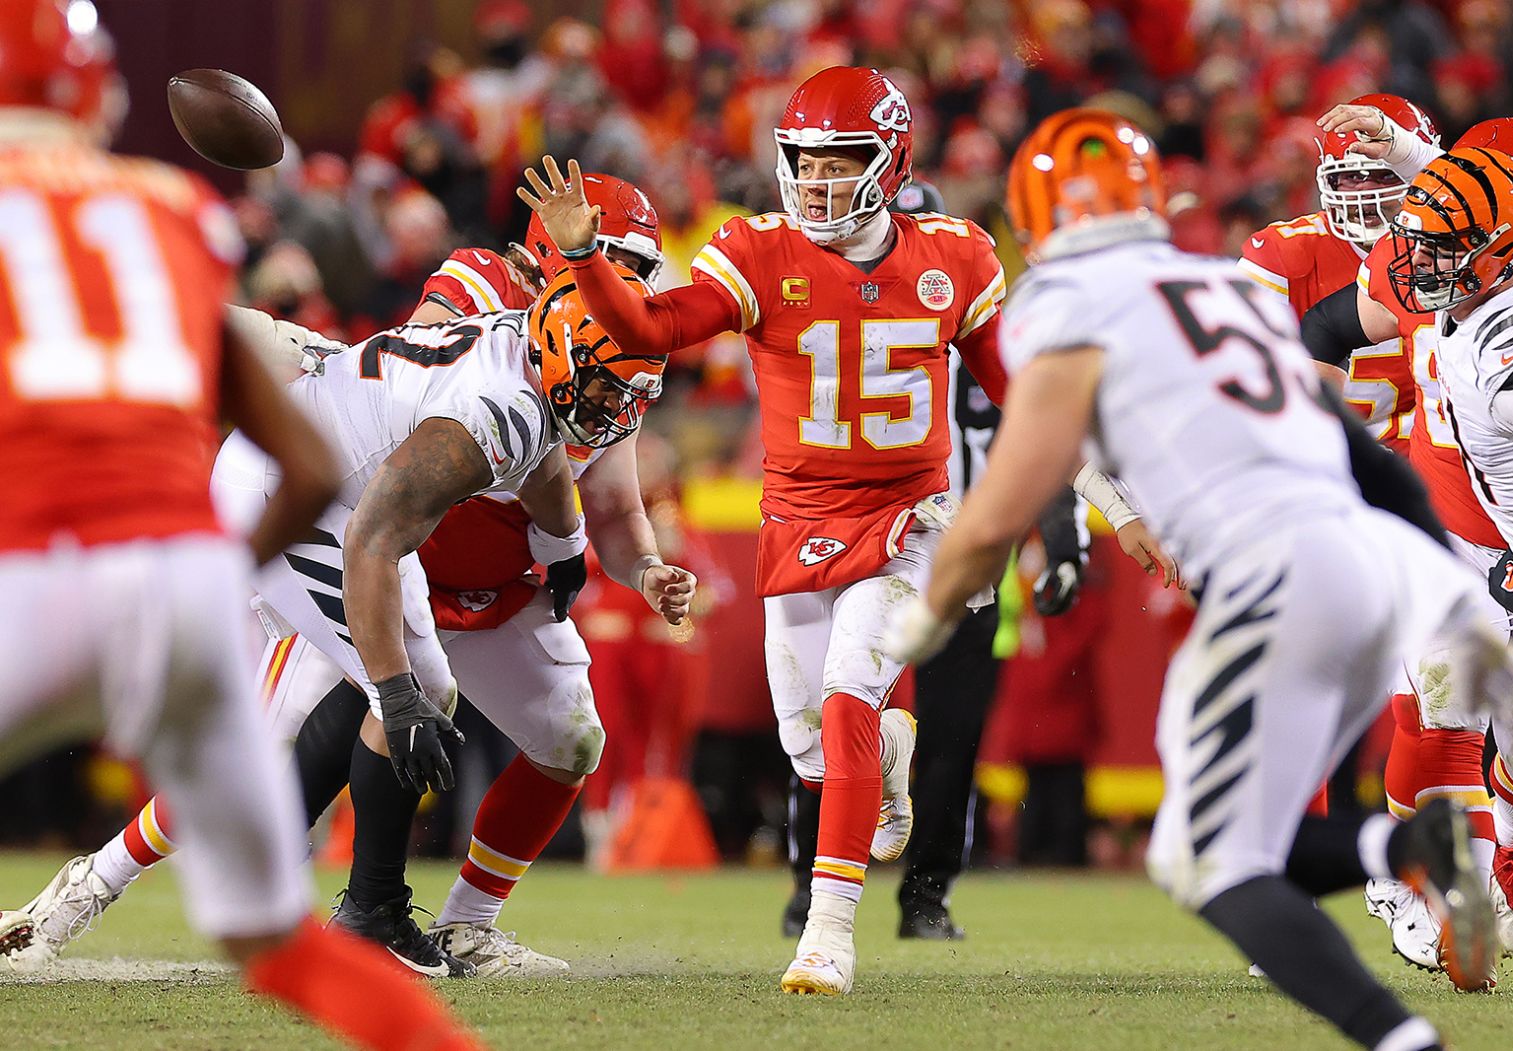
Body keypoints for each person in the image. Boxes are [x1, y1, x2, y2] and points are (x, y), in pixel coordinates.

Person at [517, 67, 1175, 995]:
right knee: (810, 748)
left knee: (850, 689)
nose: (819, 182)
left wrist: (1122, 505)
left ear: (891, 160)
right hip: (797, 522)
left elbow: (1031, 402)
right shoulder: (754, 251)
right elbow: (650, 330)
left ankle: (827, 935)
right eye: (805, 163)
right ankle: (889, 762)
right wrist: (586, 257)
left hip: (913, 516)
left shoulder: (956, 256)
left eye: (841, 161)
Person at [885, 107, 1513, 1049]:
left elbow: (991, 515)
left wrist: (919, 623)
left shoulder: (1064, 306)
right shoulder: (1215, 287)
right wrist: (1448, 585)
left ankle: (1402, 1034)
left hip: (1277, 575)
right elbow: (1367, 454)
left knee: (1210, 862)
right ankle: (1412, 847)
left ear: (1033, 220)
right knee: (1219, 834)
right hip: (1365, 554)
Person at [5, 211, 692, 979]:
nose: (617, 410)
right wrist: (393, 696)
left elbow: (540, 461)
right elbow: (375, 536)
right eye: (607, 386)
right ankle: (363, 913)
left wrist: (563, 547)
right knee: (390, 693)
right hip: (295, 489)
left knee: (342, 712)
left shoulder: (527, 360)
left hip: (346, 488)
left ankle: (371, 910)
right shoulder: (492, 407)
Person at [0, 2, 489, 1047]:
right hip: (178, 565)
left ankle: (85, 894)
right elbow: (311, 466)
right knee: (288, 948)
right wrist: (211, 580)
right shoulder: (174, 206)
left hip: (32, 566)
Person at [780, 179, 1098, 941]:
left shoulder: (994, 332)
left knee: (952, 736)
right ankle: (809, 880)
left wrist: (1064, 535)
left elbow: (1035, 439)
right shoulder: (830, 323)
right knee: (825, 710)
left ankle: (924, 893)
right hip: (858, 542)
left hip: (963, 562)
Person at [1302, 105, 1513, 972]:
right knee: (1472, 718)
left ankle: (1507, 847)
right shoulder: (1484, 264)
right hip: (1494, 551)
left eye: (1442, 246)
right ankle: (1469, 865)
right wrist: (1405, 151)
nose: (1411, 263)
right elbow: (1338, 323)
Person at [1238, 93, 1439, 447]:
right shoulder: (1282, 254)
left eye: (1381, 175)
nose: (1365, 192)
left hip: (1427, 449)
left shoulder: (1453, 252)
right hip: (1316, 451)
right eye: (1351, 178)